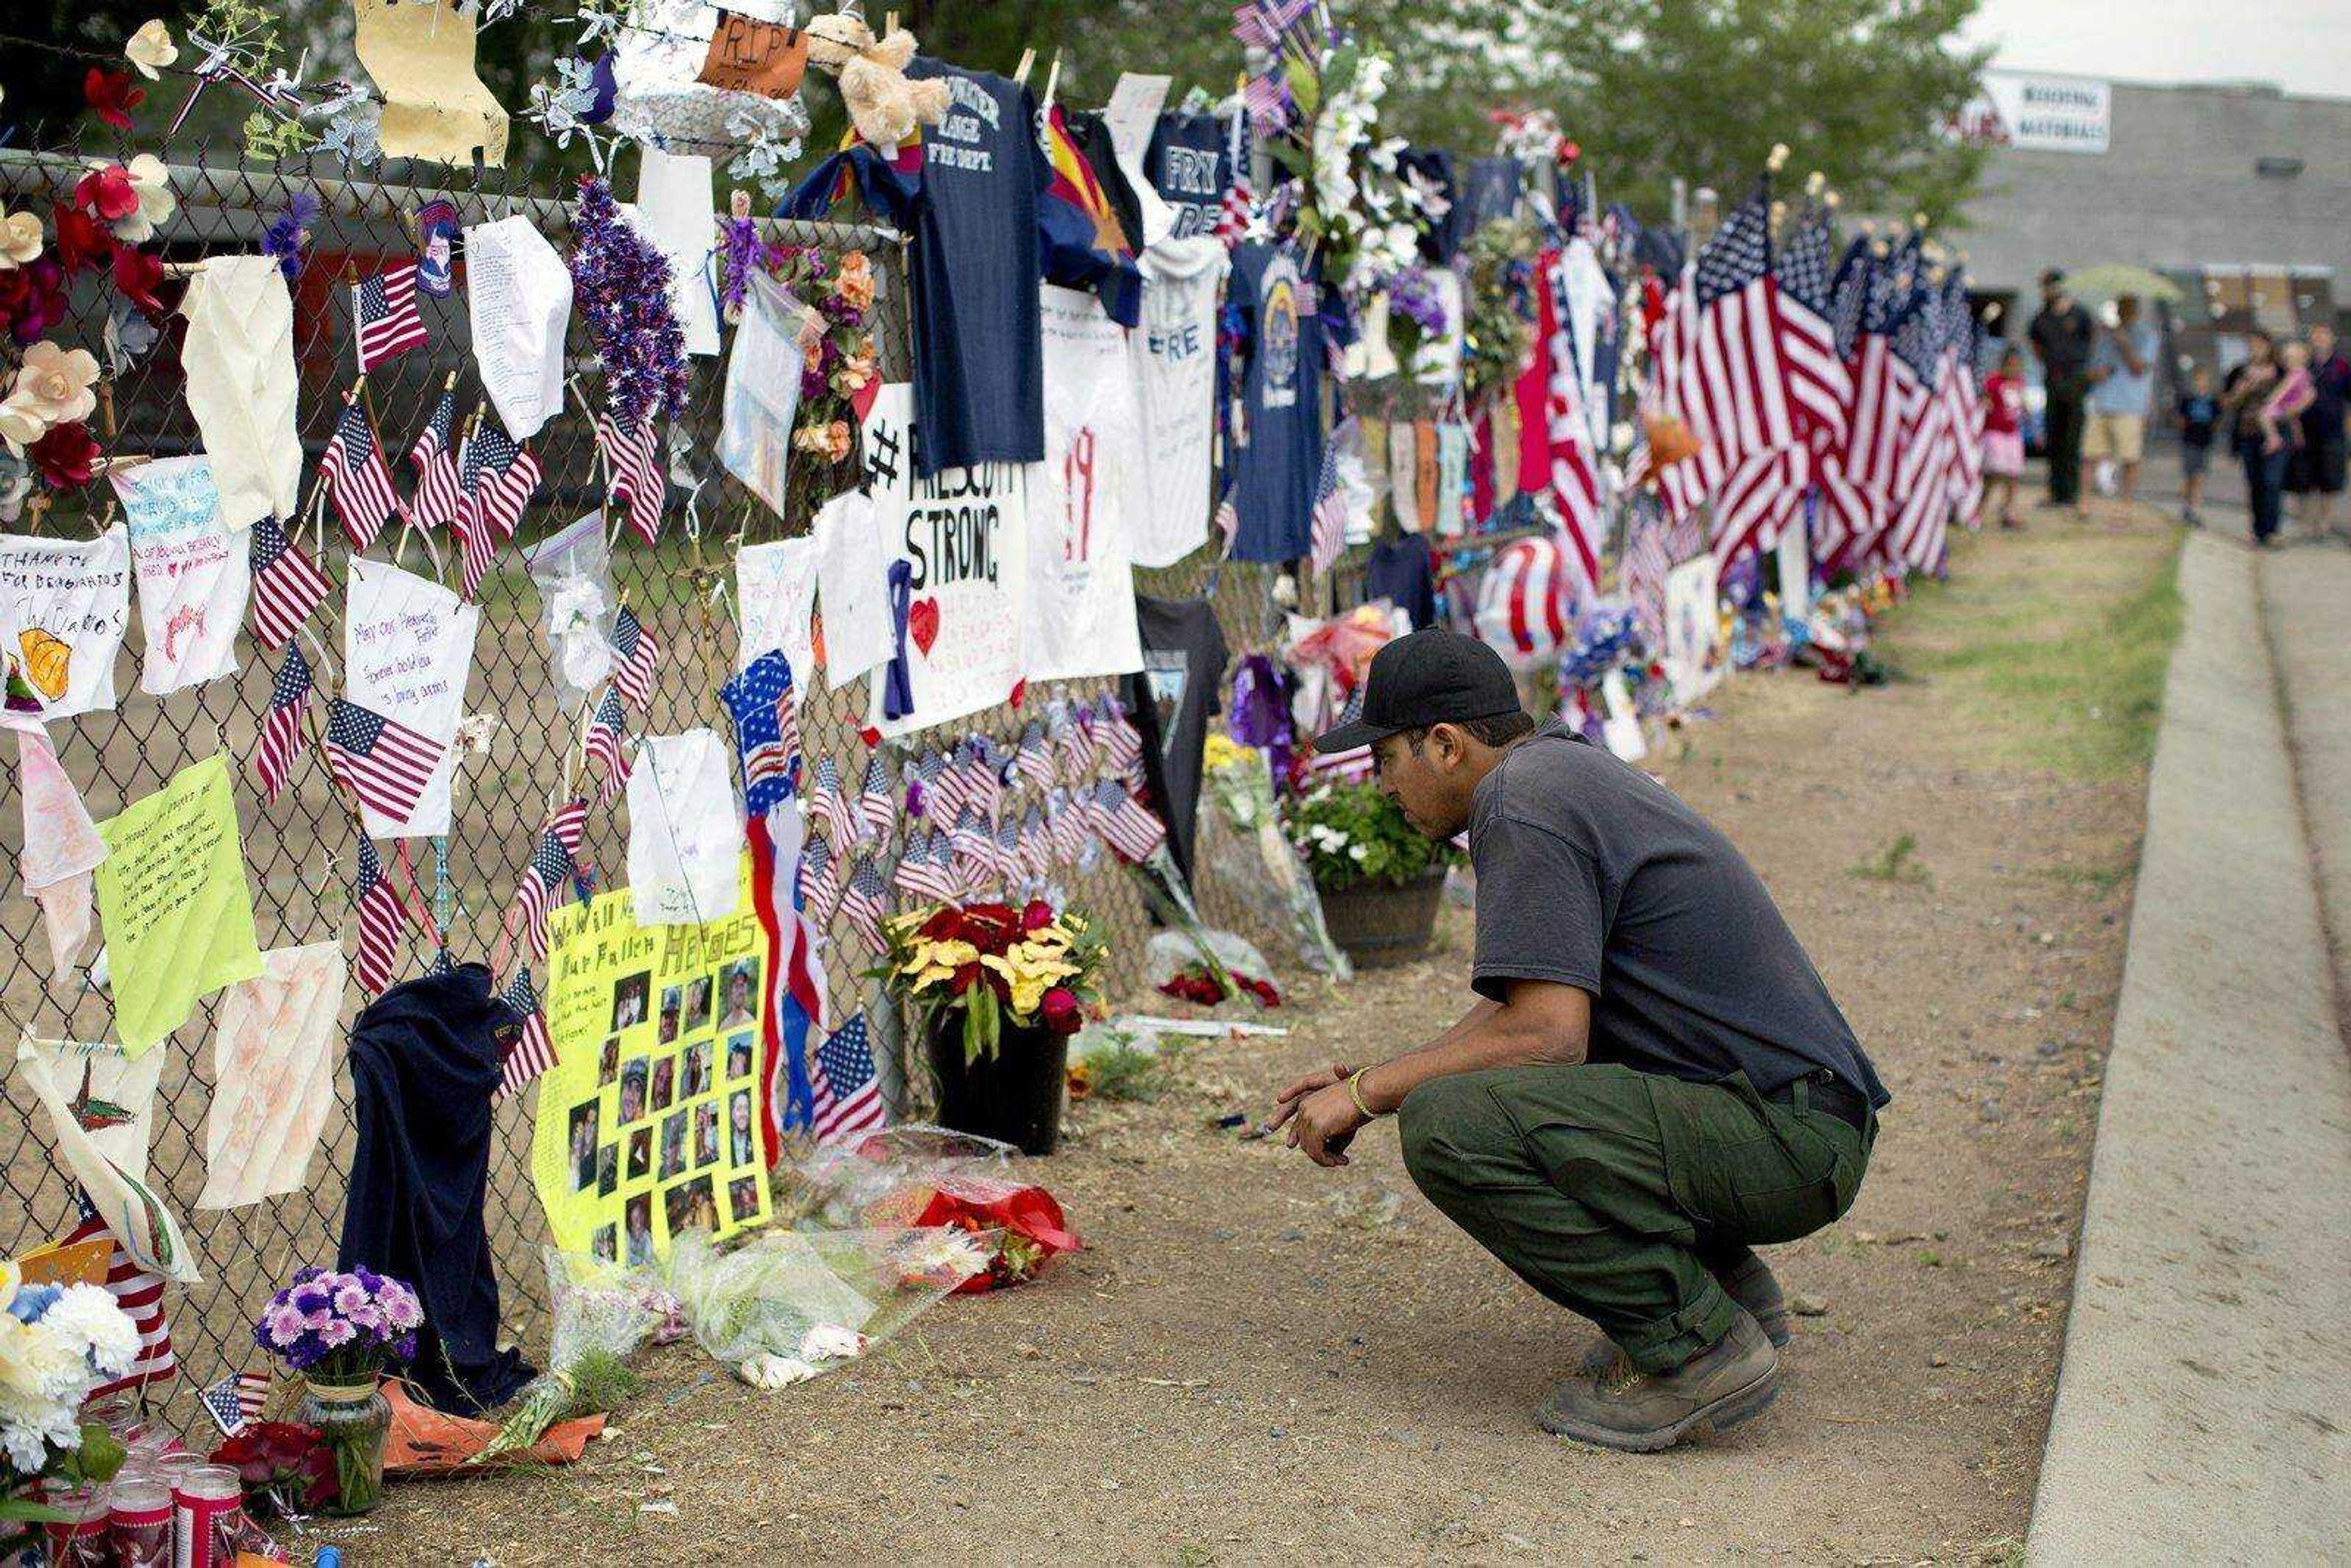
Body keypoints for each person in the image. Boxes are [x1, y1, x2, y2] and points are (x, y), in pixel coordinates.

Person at [1273, 628, 1885, 1454]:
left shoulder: (1522, 801)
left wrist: (1374, 1094)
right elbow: (1525, 1019)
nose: (1384, 786)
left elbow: (1545, 1039)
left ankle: (1697, 1346)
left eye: (1385, 759)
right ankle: (1728, 1293)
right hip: (1796, 1120)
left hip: (1785, 1135)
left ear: (1446, 744)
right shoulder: (1555, 772)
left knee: (1452, 1128)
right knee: (1478, 1097)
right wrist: (1378, 1079)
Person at [2029, 269, 2095, 514]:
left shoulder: (2080, 314)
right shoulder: (2042, 317)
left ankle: (2071, 493)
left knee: (2072, 438)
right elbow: (2035, 344)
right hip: (2053, 379)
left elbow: (2091, 342)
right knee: (2054, 436)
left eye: (2048, 286)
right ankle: (2055, 492)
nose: (2045, 291)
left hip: (2075, 381)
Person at [2082, 294, 2157, 507]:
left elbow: (2139, 369)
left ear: (2135, 311)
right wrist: (2098, 373)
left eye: (2128, 308)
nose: (2123, 312)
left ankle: (2125, 504)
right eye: (2120, 308)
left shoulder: (2146, 336)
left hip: (2130, 405)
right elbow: (2090, 370)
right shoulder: (2105, 336)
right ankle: (2085, 502)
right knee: (2090, 454)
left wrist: (2126, 345)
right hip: (2103, 402)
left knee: (2129, 457)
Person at [2221, 332, 2287, 546]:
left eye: (2259, 344)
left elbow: (2295, 396)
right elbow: (2226, 402)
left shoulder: (2281, 371)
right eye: (2251, 344)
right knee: (2255, 482)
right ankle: (2258, 531)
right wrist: (2242, 390)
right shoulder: (2239, 371)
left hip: (2276, 434)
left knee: (2272, 481)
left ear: (2269, 346)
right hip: (2248, 433)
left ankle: (2273, 531)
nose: (2255, 347)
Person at [2289, 323, 2349, 539]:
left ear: (2332, 339)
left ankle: (2325, 524)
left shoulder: (2342, 366)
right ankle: (2307, 523)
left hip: (2332, 432)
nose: (2321, 339)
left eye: (2325, 335)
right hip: (2305, 432)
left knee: (2330, 481)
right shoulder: (2304, 366)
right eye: (2317, 336)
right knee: (2306, 479)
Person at [1978, 345, 2028, 530]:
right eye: (2011, 365)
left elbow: (2022, 406)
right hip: (1995, 433)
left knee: (2013, 474)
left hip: (2012, 434)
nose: (2014, 370)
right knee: (1995, 472)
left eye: (2017, 366)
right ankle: (1981, 508)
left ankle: (2009, 511)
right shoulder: (1993, 382)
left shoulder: (2019, 383)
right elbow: (1985, 401)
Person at [2174, 365, 2219, 525]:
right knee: (2190, 477)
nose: (2202, 382)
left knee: (2199, 477)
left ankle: (2194, 510)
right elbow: (2180, 420)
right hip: (2190, 442)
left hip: (2205, 443)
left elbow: (2216, 421)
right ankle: (2187, 508)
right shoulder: (2188, 400)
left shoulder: (2213, 401)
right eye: (2199, 379)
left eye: (2205, 379)